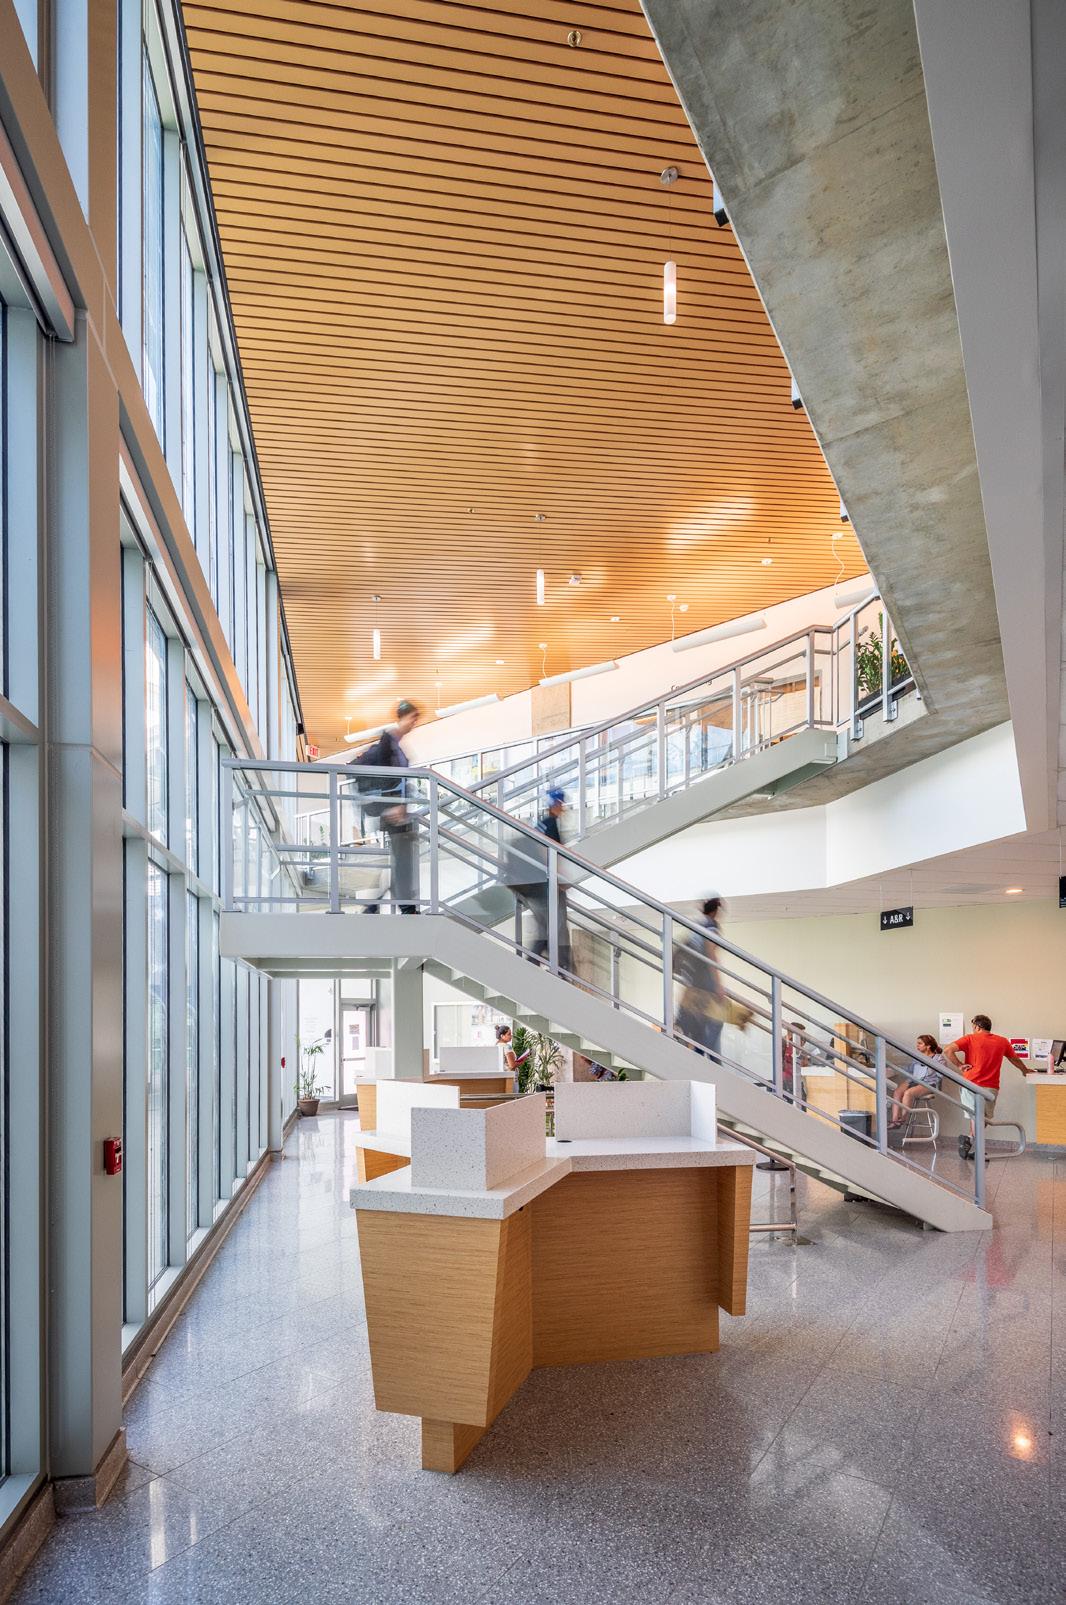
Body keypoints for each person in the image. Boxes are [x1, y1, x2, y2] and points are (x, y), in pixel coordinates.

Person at [351, 700, 421, 914]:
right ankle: (404, 906)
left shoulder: (395, 746)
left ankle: (376, 905)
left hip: (396, 812)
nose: (414, 723)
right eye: (412, 718)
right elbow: (382, 780)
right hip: (390, 812)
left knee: (400, 860)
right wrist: (391, 807)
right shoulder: (387, 743)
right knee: (403, 860)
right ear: (402, 717)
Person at [941, 1015, 1028, 1159]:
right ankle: (977, 1149)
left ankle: (970, 1140)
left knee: (978, 1118)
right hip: (991, 1086)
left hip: (971, 1084)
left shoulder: (970, 1038)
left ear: (977, 1026)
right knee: (981, 1117)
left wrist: (960, 1065)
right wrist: (1024, 1070)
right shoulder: (1002, 1041)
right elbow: (1014, 1059)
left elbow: (947, 1050)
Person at [501, 788, 571, 966]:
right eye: (561, 803)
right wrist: (558, 879)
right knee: (554, 924)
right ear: (556, 804)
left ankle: (542, 962)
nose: (563, 807)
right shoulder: (550, 824)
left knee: (546, 924)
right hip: (540, 883)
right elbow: (547, 852)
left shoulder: (541, 824)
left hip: (529, 882)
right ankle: (558, 965)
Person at [674, 896, 727, 1061]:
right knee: (717, 1019)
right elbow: (710, 955)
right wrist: (718, 985)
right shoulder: (711, 926)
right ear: (715, 911)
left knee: (699, 1025)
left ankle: (700, 1059)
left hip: (692, 980)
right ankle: (710, 1060)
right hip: (705, 981)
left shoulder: (696, 926)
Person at [889, 1033, 947, 1129]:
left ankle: (902, 1120)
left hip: (928, 1083)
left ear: (928, 1046)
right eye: (917, 1043)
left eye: (920, 1043)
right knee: (897, 1092)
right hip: (914, 1080)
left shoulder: (938, 1058)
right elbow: (910, 1070)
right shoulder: (917, 1056)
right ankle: (894, 1120)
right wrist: (894, 1067)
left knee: (908, 1093)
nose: (917, 1046)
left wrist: (930, 1065)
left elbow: (941, 1075)